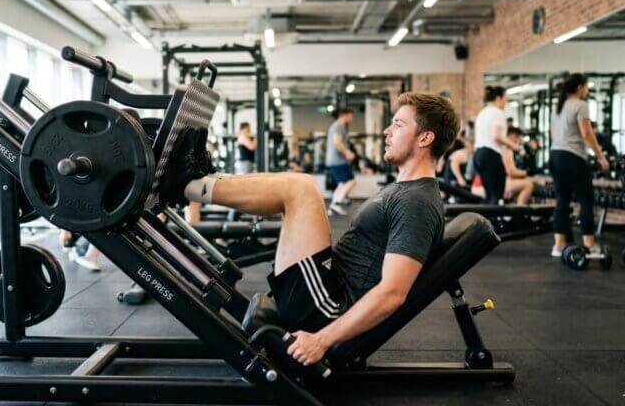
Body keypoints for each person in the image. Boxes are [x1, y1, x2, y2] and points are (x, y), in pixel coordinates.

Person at [161, 92, 458, 365]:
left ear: (425, 138)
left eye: (398, 124)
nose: (386, 131)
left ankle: (187, 184)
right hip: (325, 288)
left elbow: (393, 292)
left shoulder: (417, 202)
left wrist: (321, 340)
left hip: (326, 309)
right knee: (298, 185)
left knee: (300, 187)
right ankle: (199, 179)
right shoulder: (406, 190)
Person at [549, 73, 609, 258]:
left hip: (555, 156)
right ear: (579, 87)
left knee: (562, 201)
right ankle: (589, 246)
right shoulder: (581, 105)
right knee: (586, 201)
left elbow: (553, 134)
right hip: (573, 157)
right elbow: (587, 134)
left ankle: (558, 246)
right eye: (586, 86)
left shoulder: (557, 107)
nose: (587, 90)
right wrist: (601, 157)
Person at [473, 86, 521, 204]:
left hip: (479, 155)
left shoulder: (482, 112)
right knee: (497, 195)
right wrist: (514, 146)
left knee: (490, 195)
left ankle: (487, 221)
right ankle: (493, 222)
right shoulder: (497, 113)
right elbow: (497, 136)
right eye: (506, 98)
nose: (506, 101)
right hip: (490, 155)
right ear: (499, 98)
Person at [325, 108, 357, 215]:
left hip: (335, 159)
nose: (352, 119)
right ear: (345, 115)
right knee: (351, 181)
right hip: (338, 160)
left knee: (342, 184)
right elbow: (337, 142)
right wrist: (347, 153)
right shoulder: (339, 126)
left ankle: (333, 207)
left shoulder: (337, 126)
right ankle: (336, 204)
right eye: (351, 116)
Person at [502, 127, 534, 205]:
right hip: (496, 184)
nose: (518, 140)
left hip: (502, 181)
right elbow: (511, 172)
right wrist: (526, 173)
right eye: (517, 137)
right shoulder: (506, 149)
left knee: (527, 182)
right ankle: (520, 212)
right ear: (510, 136)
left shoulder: (509, 150)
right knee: (528, 185)